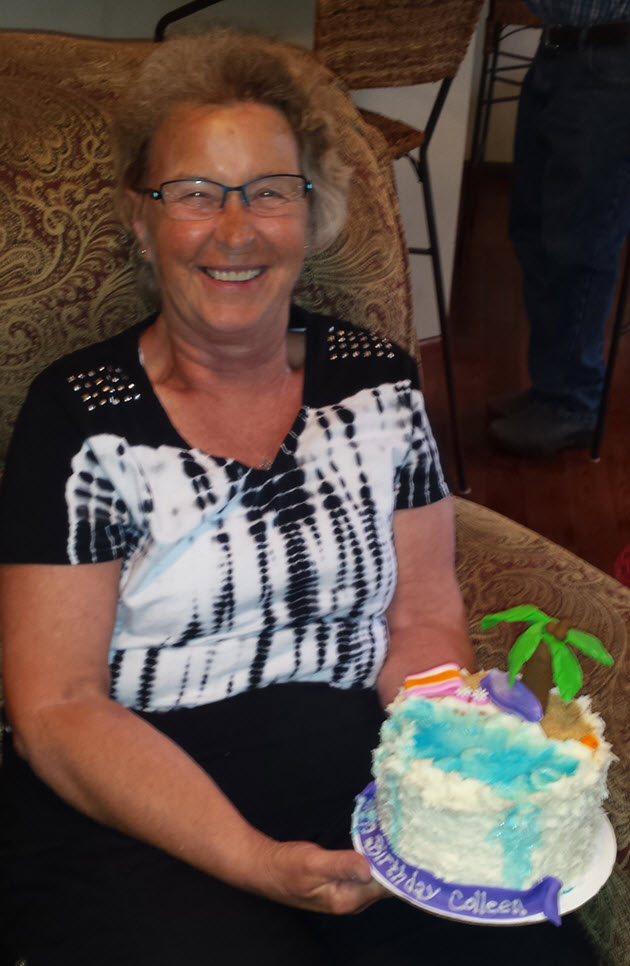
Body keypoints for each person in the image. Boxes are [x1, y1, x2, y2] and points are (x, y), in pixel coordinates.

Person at [0, 29, 596, 966]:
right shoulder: (81, 418)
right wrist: (256, 861)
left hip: (363, 779)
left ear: (313, 214)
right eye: (194, 193)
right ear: (139, 218)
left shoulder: (379, 385)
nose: (234, 230)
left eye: (270, 192)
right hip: (136, 809)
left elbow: (426, 612)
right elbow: (57, 707)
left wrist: (449, 768)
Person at [488, 1, 630, 456]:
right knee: (534, 231)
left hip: (613, 57)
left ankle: (572, 401)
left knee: (581, 240)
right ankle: (553, 384)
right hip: (558, 48)